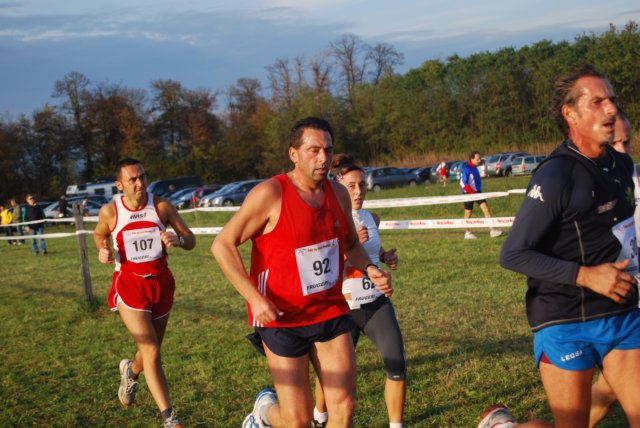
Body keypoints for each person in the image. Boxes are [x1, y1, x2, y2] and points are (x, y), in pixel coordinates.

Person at [211, 117, 393, 428]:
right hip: (282, 316)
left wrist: (370, 268)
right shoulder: (271, 194)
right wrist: (254, 298)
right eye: (314, 150)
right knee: (296, 420)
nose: (323, 158)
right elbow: (222, 245)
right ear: (293, 154)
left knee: (344, 407)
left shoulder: (338, 194)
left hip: (329, 309)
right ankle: (263, 413)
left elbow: (351, 243)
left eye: (328, 150)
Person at [496, 64, 640, 427]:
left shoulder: (622, 165)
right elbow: (513, 253)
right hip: (565, 319)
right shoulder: (556, 174)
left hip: (621, 314)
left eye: (612, 100)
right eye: (598, 102)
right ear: (570, 114)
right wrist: (586, 276)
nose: (611, 109)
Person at [93, 158, 195, 428]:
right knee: (150, 349)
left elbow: (190, 239)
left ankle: (130, 371)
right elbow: (99, 234)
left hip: (161, 285)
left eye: (142, 177)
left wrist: (177, 239)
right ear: (119, 185)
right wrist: (103, 248)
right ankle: (170, 419)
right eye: (133, 179)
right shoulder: (110, 211)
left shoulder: (161, 207)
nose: (140, 183)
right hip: (130, 285)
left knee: (151, 350)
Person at [312, 154, 406, 428]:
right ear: (338, 187)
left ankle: (396, 425)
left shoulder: (370, 217)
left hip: (375, 303)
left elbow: (373, 252)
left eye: (362, 185)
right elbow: (318, 266)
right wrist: (349, 248)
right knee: (332, 374)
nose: (358, 192)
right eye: (351, 186)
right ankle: (320, 416)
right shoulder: (328, 219)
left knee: (397, 364)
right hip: (343, 310)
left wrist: (384, 257)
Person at [589, 109, 636, 427]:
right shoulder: (586, 187)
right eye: (613, 143)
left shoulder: (632, 178)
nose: (622, 151)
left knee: (608, 391)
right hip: (612, 306)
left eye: (627, 142)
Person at [460, 151, 503, 240]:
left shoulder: (475, 168)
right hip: (468, 193)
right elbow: (464, 183)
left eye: (480, 159)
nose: (479, 161)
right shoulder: (466, 169)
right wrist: (472, 193)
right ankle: (467, 233)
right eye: (477, 159)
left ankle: (492, 230)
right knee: (468, 212)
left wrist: (478, 192)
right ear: (472, 159)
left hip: (477, 192)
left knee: (486, 208)